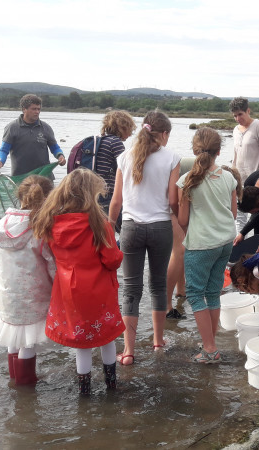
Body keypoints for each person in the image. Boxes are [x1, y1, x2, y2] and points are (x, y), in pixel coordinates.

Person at [32, 169, 124, 394]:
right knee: (106, 337)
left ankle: (85, 390)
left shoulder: (50, 222)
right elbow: (112, 260)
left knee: (81, 342)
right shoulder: (99, 225)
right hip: (98, 290)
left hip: (68, 291)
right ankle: (111, 386)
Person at [109, 111, 181, 365]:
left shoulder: (124, 157)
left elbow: (116, 201)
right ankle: (158, 342)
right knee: (158, 285)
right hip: (161, 228)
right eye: (168, 134)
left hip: (130, 229)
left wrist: (109, 227)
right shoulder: (172, 158)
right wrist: (181, 219)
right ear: (163, 134)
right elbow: (173, 200)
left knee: (130, 289)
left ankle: (128, 351)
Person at [0, 175, 56, 386]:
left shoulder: (1, 224)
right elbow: (51, 264)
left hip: (6, 291)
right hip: (32, 294)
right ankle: (26, 384)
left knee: (13, 337)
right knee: (27, 342)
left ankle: (15, 381)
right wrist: (57, 289)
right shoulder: (39, 229)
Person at [176, 127, 237, 363]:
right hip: (225, 243)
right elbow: (232, 214)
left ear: (194, 150)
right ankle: (211, 342)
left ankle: (210, 349)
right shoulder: (229, 177)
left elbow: (183, 220)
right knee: (213, 292)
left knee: (194, 293)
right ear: (219, 152)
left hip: (201, 244)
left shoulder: (186, 181)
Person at [0, 94, 66, 179]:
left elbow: (55, 148)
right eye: (33, 109)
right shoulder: (12, 127)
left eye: (38, 109)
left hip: (44, 178)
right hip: (20, 178)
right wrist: (0, 161)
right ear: (24, 109)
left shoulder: (46, 128)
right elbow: (4, 150)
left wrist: (60, 156)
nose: (37, 112)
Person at [230, 97, 259, 235]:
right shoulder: (236, 130)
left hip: (256, 181)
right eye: (235, 116)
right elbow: (235, 155)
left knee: (256, 214)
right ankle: (240, 243)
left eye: (240, 114)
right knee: (240, 214)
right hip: (240, 180)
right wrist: (232, 176)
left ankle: (256, 243)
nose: (237, 118)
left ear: (248, 110)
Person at [165, 156, 196, 320]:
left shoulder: (212, 172)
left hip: (174, 200)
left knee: (183, 247)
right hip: (169, 204)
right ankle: (166, 305)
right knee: (180, 251)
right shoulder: (212, 175)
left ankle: (181, 290)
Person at [94, 110, 137, 218]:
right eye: (130, 129)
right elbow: (126, 169)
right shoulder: (115, 143)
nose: (131, 134)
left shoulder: (100, 140)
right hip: (107, 193)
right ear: (122, 128)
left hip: (93, 192)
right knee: (124, 225)